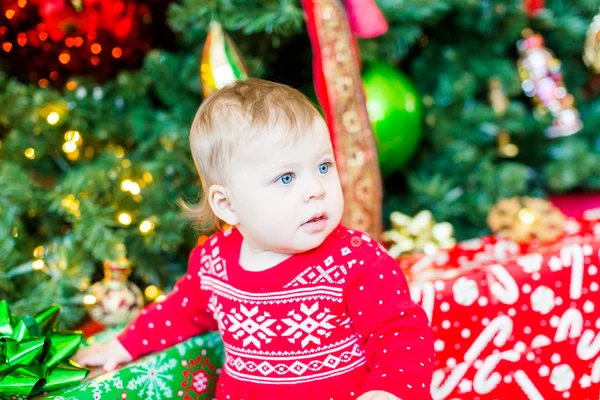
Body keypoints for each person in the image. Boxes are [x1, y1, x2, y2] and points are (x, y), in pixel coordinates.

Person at [74, 78, 434, 400]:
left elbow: (401, 333)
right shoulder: (214, 263)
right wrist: (124, 345)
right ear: (228, 205)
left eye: (323, 167)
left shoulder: (355, 259)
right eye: (286, 178)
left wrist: (389, 392)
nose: (315, 190)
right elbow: (180, 312)